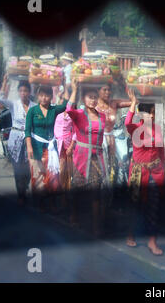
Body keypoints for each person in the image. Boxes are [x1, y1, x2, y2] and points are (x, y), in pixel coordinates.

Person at [125, 89, 165, 256]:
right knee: (135, 206)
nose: (153, 116)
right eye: (151, 113)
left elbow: (162, 152)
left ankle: (152, 241)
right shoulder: (135, 128)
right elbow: (127, 122)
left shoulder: (157, 129)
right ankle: (130, 233)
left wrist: (163, 173)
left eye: (154, 113)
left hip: (155, 173)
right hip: (138, 172)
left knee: (154, 207)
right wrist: (133, 103)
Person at [66, 79, 107, 235]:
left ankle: (96, 226)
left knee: (96, 192)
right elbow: (69, 109)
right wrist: (74, 90)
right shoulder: (79, 114)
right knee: (77, 188)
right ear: (84, 99)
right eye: (89, 97)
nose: (92, 100)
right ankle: (74, 215)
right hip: (81, 157)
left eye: (95, 97)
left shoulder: (102, 116)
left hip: (97, 158)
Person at [25, 85, 69, 212]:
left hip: (50, 149)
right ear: (38, 96)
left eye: (47, 95)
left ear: (51, 97)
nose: (44, 98)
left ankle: (52, 203)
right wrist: (29, 147)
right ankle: (39, 203)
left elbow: (66, 105)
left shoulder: (54, 110)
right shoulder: (32, 111)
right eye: (41, 95)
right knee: (38, 176)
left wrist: (66, 85)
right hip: (36, 147)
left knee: (52, 176)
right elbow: (27, 130)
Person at [0, 74, 36, 204]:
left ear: (29, 92)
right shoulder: (14, 104)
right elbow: (0, 98)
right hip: (15, 140)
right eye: (21, 91)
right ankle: (21, 194)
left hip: (30, 140)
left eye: (26, 91)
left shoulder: (35, 106)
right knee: (17, 167)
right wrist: (4, 82)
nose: (23, 93)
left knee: (29, 168)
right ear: (18, 92)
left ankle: (24, 186)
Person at [95, 84, 131, 185]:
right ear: (98, 91)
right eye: (104, 89)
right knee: (100, 167)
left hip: (111, 139)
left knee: (113, 166)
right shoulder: (93, 104)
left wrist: (130, 94)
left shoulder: (113, 103)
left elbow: (133, 102)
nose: (107, 92)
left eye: (109, 90)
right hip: (98, 140)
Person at [54, 109, 76, 211]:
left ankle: (71, 197)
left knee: (71, 172)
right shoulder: (59, 116)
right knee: (62, 171)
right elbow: (56, 131)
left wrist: (71, 146)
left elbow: (76, 132)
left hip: (71, 147)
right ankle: (63, 197)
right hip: (60, 147)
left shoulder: (75, 115)